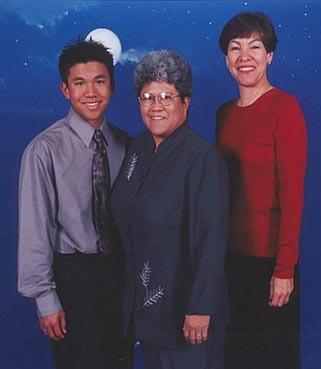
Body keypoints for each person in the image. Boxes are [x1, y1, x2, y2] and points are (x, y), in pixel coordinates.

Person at [18, 39, 133, 369]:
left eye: (99, 81)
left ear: (112, 86)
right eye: (79, 83)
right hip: (73, 279)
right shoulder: (44, 150)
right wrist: (45, 298)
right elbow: (34, 228)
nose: (91, 92)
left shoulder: (125, 144)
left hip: (119, 275)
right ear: (65, 90)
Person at [111, 50, 229, 369]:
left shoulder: (202, 157)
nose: (156, 105)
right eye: (147, 96)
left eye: (167, 96)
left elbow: (212, 237)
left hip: (188, 313)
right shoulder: (138, 149)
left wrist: (200, 308)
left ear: (186, 102)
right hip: (149, 309)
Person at [216, 12, 307, 369]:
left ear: (270, 56)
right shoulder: (223, 114)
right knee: (235, 358)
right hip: (230, 261)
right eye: (235, 48)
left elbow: (292, 195)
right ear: (226, 59)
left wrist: (285, 268)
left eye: (255, 47)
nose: (244, 57)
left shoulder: (285, 108)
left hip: (272, 263)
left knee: (272, 359)